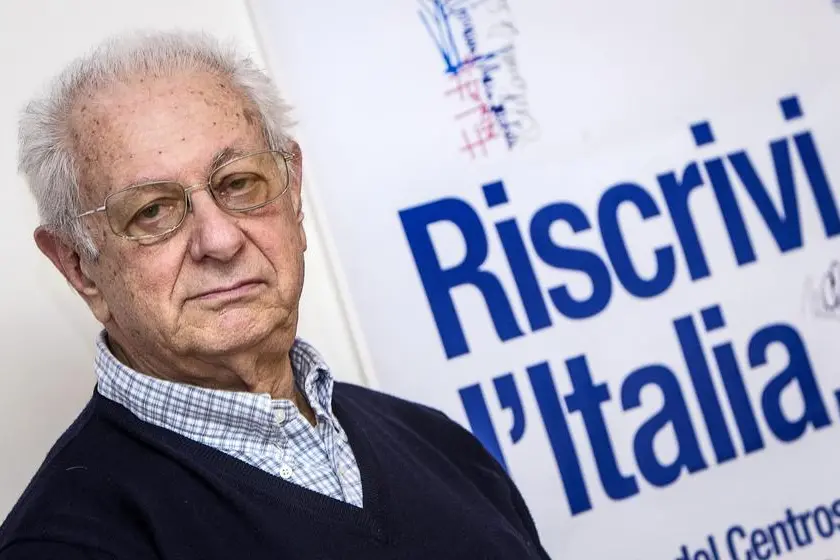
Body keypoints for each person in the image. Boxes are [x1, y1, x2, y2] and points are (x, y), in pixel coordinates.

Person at [0, 31, 549, 559]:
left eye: (238, 183)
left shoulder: (438, 444)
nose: (220, 240)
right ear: (79, 267)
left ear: (294, 193)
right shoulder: (63, 544)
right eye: (152, 211)